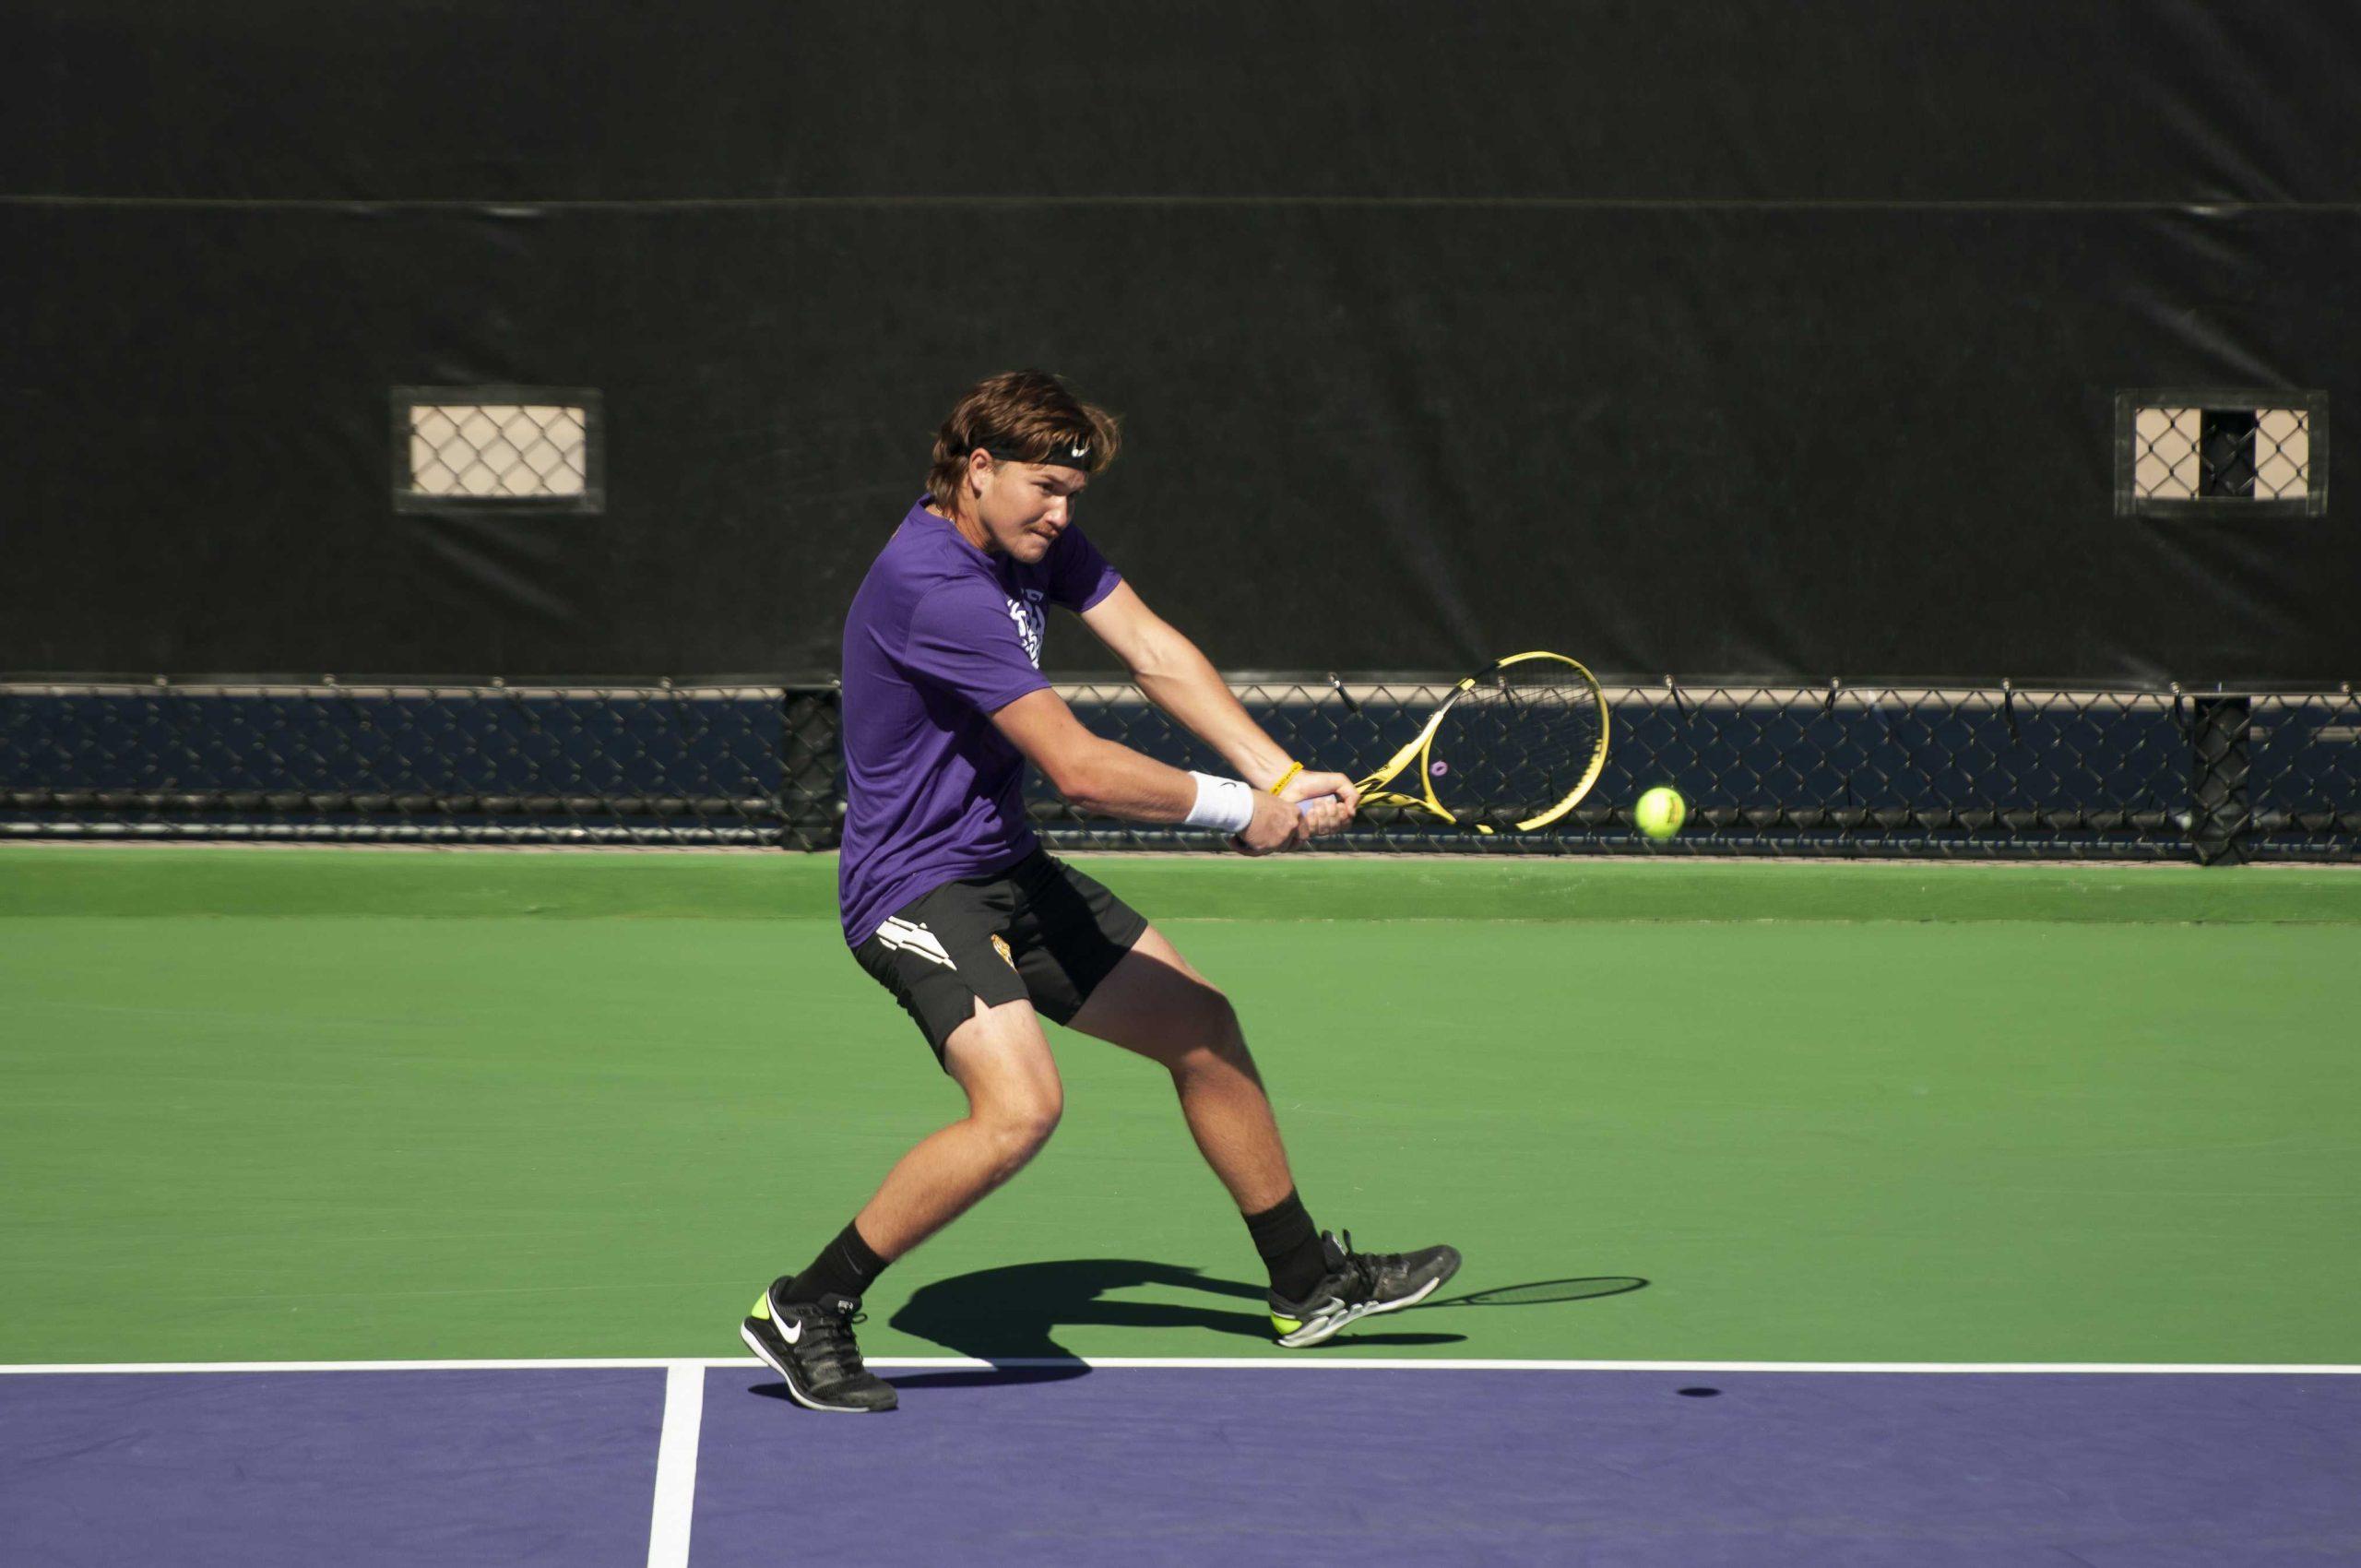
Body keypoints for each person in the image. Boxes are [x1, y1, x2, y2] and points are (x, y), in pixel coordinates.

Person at [740, 370, 1461, 1413]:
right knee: (1021, 1106)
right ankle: (808, 1303)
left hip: (1004, 864)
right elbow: (1077, 764)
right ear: (975, 469)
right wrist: (1234, 809)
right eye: (1042, 487)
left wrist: (1283, 775)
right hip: (915, 887)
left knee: (1203, 1025)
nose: (1061, 513)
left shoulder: (1026, 536)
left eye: (1073, 493)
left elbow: (1154, 651)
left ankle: (1306, 1283)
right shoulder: (935, 586)